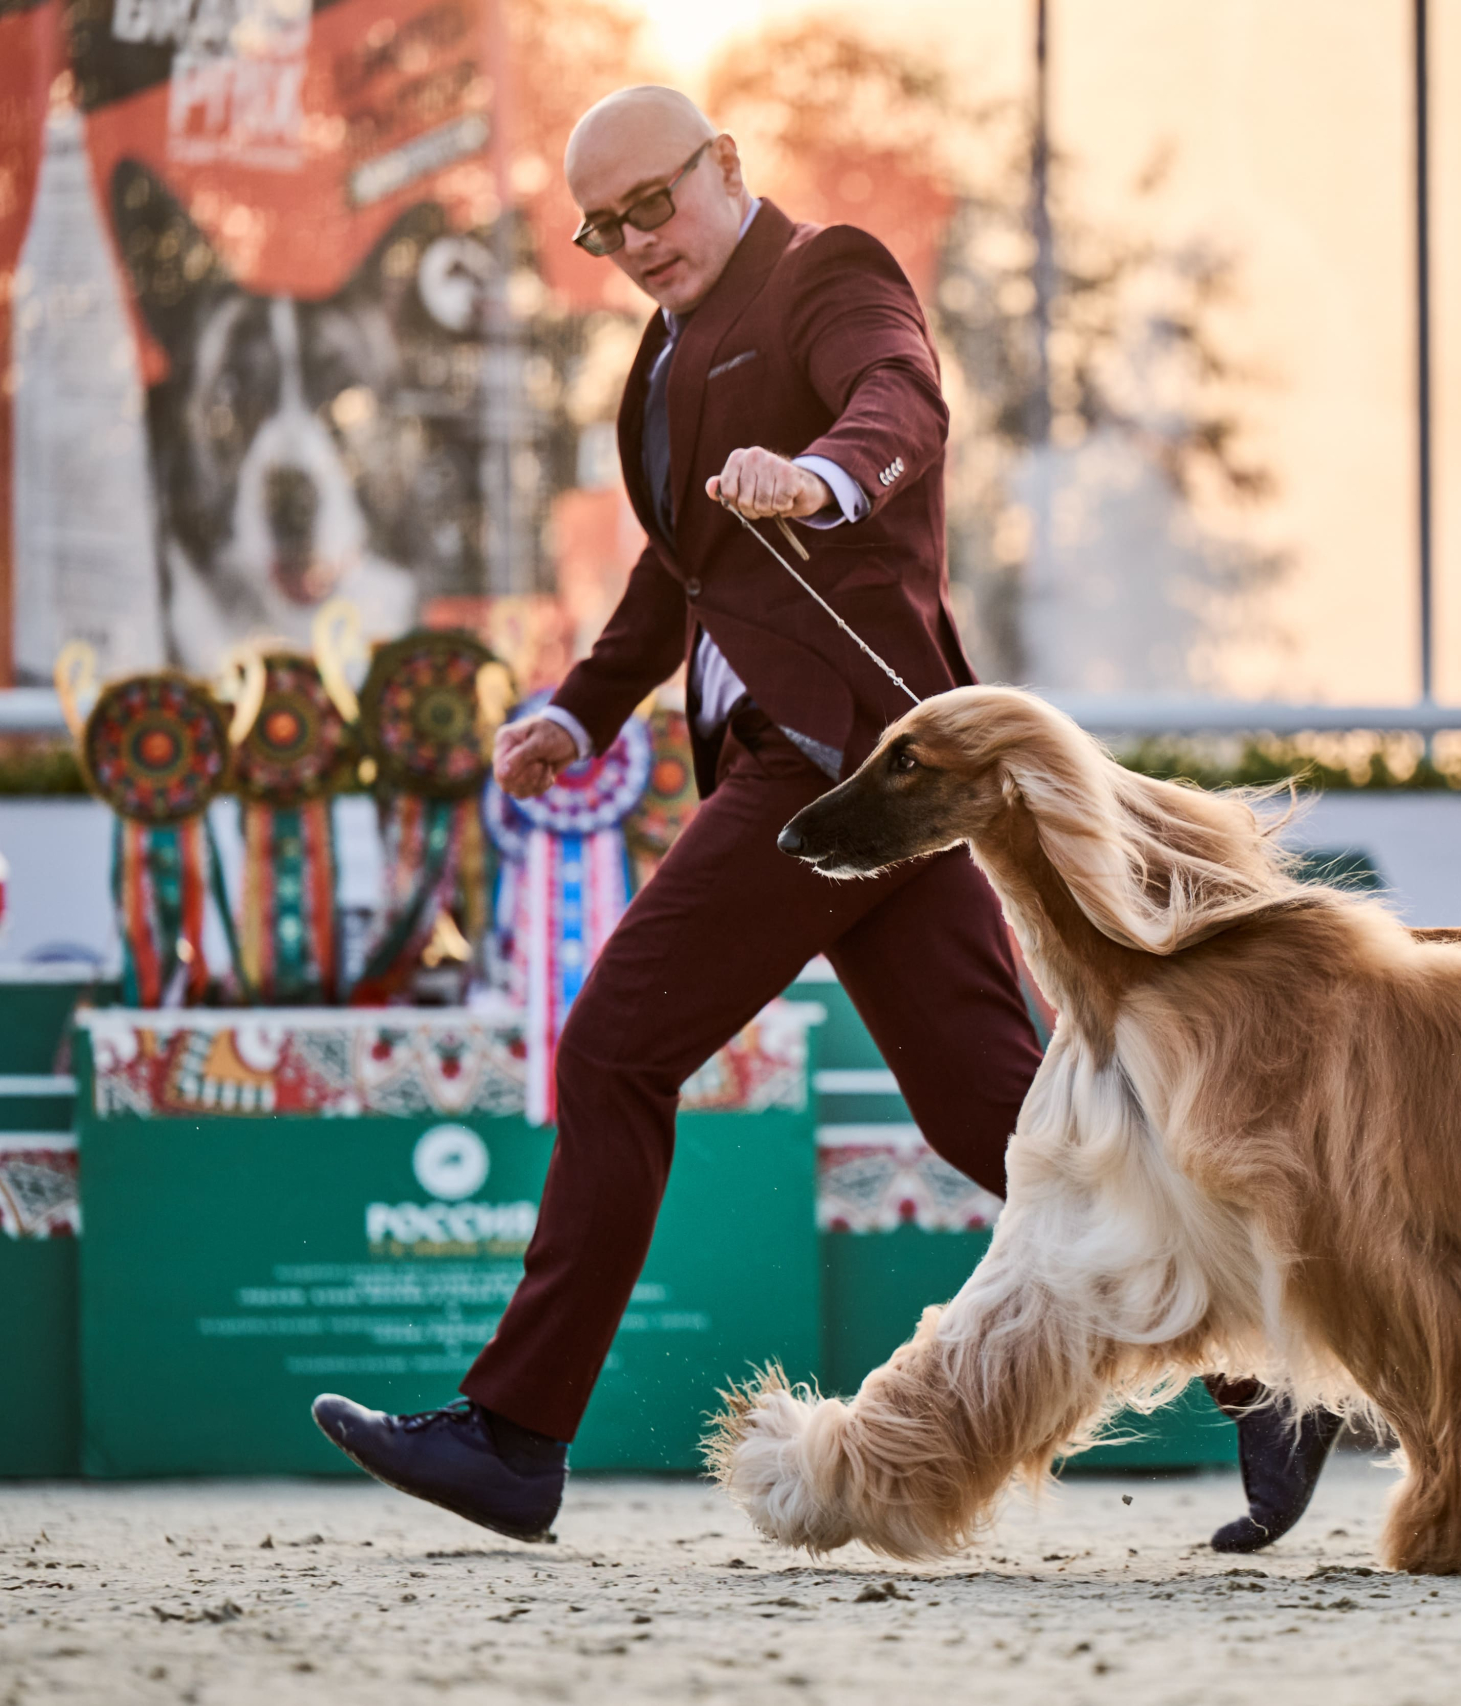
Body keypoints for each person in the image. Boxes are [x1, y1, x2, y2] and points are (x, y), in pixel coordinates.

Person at [309, 86, 1337, 1551]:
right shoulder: (654, 371)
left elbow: (901, 399)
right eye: (602, 228)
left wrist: (826, 475)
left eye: (652, 205)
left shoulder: (827, 273)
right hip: (854, 784)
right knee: (1001, 1113)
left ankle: (515, 1434)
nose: (632, 242)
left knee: (614, 1044)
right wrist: (577, 711)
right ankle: (1277, 1373)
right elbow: (680, 579)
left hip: (835, 764)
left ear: (726, 167)